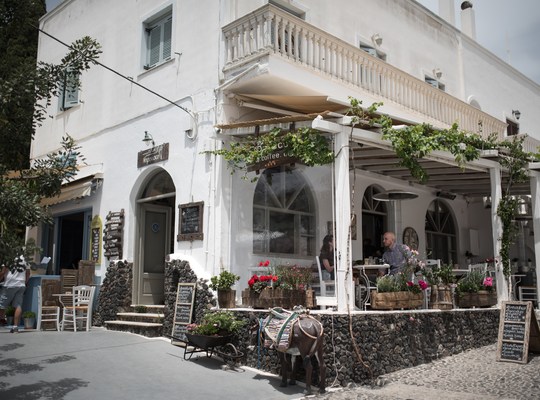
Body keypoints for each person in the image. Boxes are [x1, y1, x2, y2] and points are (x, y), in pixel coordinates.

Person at [0, 255, 31, 333]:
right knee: (18, 305)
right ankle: (15, 327)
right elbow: (28, 273)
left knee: (1, 304)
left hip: (9, 284)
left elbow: (3, 272)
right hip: (21, 285)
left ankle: (2, 319)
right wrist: (24, 283)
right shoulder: (26, 259)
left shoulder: (8, 257)